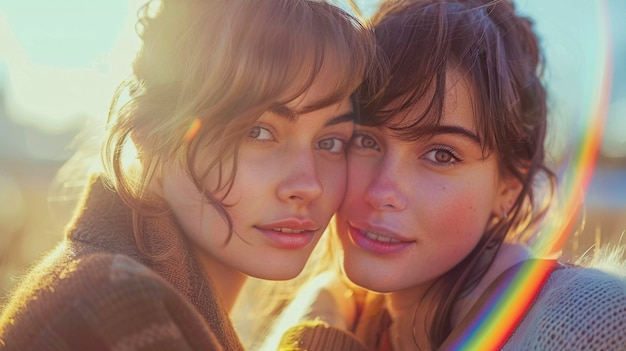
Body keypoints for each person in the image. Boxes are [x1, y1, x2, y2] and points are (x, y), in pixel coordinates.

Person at [0, 0, 375, 349]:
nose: (308, 185)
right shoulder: (116, 305)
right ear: (149, 133)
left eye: (330, 142)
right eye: (257, 131)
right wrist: (317, 330)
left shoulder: (127, 285)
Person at [278, 0, 626, 350]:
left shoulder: (592, 321)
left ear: (508, 188)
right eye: (366, 140)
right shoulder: (347, 318)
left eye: (441, 154)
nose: (382, 190)